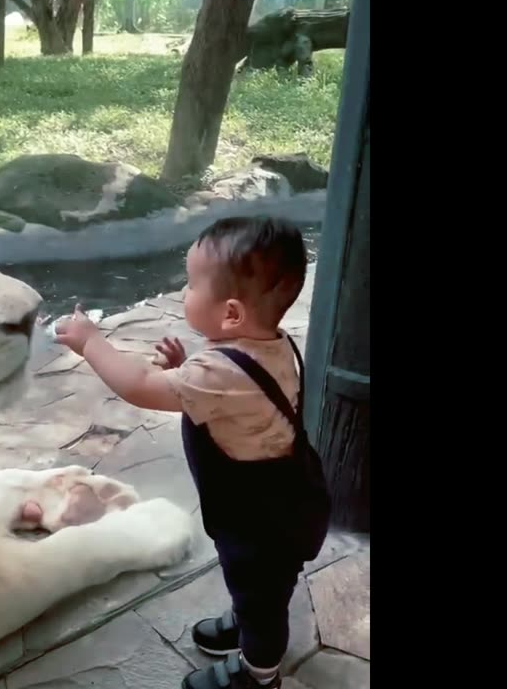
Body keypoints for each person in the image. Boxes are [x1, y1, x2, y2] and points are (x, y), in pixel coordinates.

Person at [54, 216, 331, 689]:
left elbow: (140, 387)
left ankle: (258, 672)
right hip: (284, 498)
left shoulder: (216, 375)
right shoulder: (270, 344)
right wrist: (185, 369)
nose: (183, 291)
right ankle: (249, 620)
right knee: (260, 587)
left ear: (231, 315)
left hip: (260, 521)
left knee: (261, 595)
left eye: (189, 284)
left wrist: (91, 342)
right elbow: (234, 396)